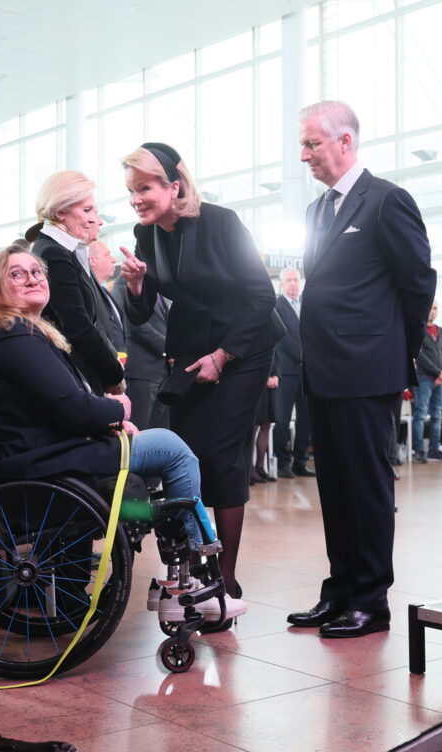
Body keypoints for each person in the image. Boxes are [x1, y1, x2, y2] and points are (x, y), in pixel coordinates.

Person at [0, 245, 246, 622]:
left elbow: (57, 405)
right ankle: (188, 582)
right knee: (172, 450)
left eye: (36, 271)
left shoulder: (23, 334)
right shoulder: (18, 337)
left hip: (43, 451)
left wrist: (108, 421)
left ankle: (181, 572)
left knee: (162, 459)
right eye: (17, 274)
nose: (33, 278)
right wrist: (118, 409)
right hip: (40, 461)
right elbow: (72, 407)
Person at [286, 101, 435, 639]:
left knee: (367, 486)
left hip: (369, 370)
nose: (304, 155)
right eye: (303, 145)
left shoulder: (387, 200)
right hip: (324, 370)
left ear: (345, 141)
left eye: (312, 144)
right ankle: (341, 590)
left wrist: (397, 351)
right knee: (334, 485)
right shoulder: (316, 211)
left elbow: (418, 284)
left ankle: (371, 600)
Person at [120, 142, 284, 609]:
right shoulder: (146, 233)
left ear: (174, 186)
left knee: (224, 456)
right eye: (132, 191)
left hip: (243, 348)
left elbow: (262, 296)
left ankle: (225, 579)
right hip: (189, 353)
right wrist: (136, 285)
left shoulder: (221, 222)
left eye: (145, 188)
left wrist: (224, 355)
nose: (136, 200)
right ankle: (192, 567)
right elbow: (142, 311)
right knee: (186, 456)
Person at [29, 171, 124, 396]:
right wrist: (113, 371)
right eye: (87, 210)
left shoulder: (65, 250)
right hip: (70, 374)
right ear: (60, 211)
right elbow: (76, 325)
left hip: (77, 370)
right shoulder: (53, 253)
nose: (94, 219)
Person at [112, 272, 169, 431]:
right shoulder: (128, 280)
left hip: (162, 371)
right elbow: (134, 323)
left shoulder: (158, 283)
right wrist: (168, 348)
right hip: (142, 370)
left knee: (160, 430)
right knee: (140, 429)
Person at [272, 268, 314, 478]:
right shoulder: (276, 305)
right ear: (281, 283)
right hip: (286, 371)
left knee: (306, 419)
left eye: (296, 280)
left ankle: (300, 461)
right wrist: (305, 354)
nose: (293, 284)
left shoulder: (307, 305)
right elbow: (282, 337)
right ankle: (282, 463)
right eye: (288, 280)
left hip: (307, 372)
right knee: (282, 419)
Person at [411, 300, 442, 463]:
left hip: (439, 381)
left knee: (437, 415)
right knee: (420, 414)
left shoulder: (440, 330)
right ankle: (419, 451)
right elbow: (419, 356)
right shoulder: (417, 331)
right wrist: (438, 373)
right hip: (423, 378)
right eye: (430, 307)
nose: (432, 311)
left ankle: (434, 450)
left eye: (435, 308)